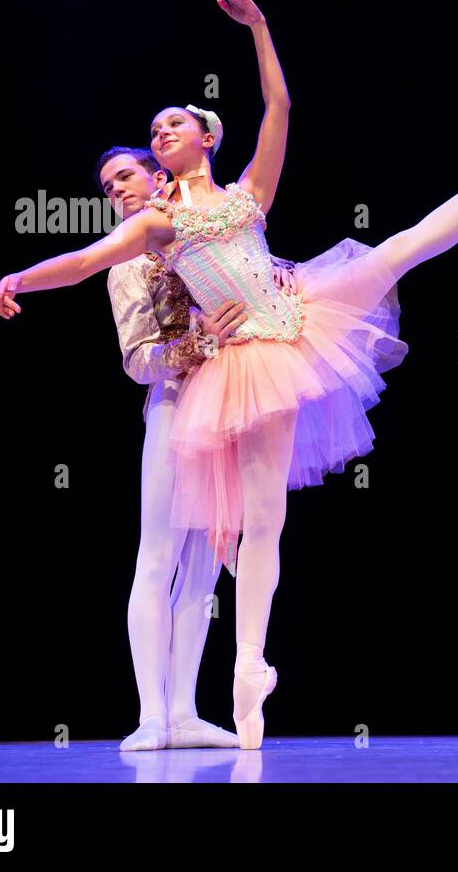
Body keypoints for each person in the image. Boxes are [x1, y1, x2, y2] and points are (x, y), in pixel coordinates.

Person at [0, 0, 458, 748]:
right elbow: (89, 260)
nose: (160, 134)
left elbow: (281, 108)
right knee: (261, 524)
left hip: (299, 320)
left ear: (203, 137)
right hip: (239, 365)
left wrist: (258, 27)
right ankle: (246, 668)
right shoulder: (155, 225)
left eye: (171, 126)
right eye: (151, 130)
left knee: (397, 251)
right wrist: (21, 276)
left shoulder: (249, 193)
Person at [100, 144, 299, 751]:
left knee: (206, 566)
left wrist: (283, 280)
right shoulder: (130, 264)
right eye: (108, 187)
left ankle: (185, 709)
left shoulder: (196, 231)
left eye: (126, 176)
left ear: (157, 177)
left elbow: (250, 268)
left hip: (230, 407)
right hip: (173, 405)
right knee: (156, 554)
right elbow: (138, 362)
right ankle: (152, 713)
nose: (118, 191)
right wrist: (199, 344)